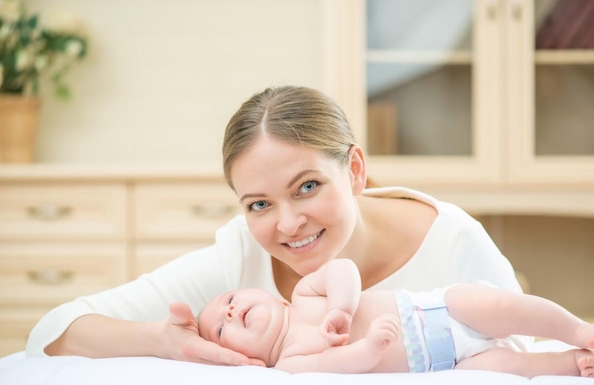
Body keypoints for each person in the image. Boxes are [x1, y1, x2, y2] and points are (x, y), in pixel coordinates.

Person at [28, 86, 528, 366]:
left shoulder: (453, 243)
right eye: (259, 203)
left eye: (307, 186)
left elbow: (520, 367)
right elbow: (53, 333)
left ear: (354, 170)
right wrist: (161, 340)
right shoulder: (240, 258)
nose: (288, 224)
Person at [197, 258, 594, 377]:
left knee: (508, 308)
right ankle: (568, 364)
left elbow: (342, 268)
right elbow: (343, 364)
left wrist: (342, 308)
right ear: (242, 358)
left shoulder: (303, 295)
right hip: (448, 363)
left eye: (229, 299)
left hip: (441, 309)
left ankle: (576, 329)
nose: (231, 310)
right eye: (221, 327)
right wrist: (368, 347)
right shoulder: (291, 361)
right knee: (509, 368)